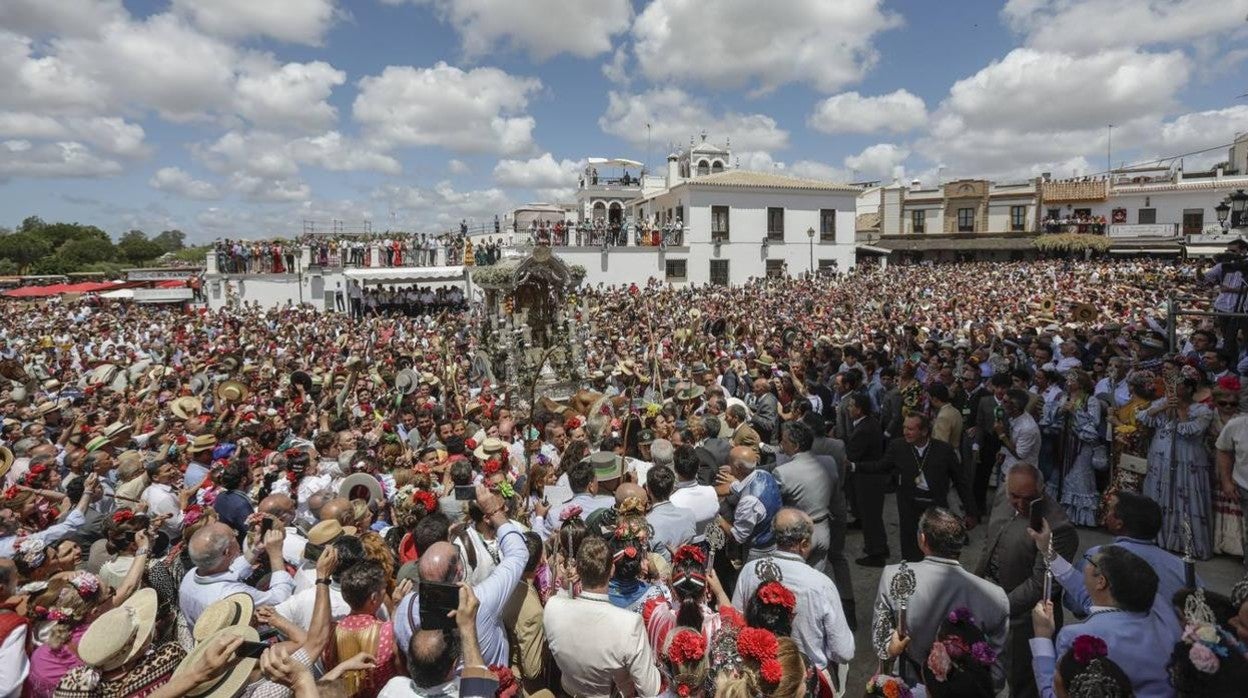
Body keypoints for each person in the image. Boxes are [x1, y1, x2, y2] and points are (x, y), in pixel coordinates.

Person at [874, 508, 1008, 690]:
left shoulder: (894, 576)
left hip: (911, 685)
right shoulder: (994, 596)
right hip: (965, 691)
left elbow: (881, 641)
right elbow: (997, 673)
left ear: (922, 539)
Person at [976, 464, 1078, 698]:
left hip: (1024, 620)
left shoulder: (1058, 527)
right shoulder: (1003, 496)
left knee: (1022, 684)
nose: (1020, 505)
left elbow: (1040, 584)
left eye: (1028, 498)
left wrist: (998, 608)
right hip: (991, 600)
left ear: (1042, 491)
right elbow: (989, 542)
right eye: (1014, 496)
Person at [1030, 545, 1172, 698]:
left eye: (1089, 560)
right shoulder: (1158, 611)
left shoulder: (1078, 636)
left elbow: (1055, 693)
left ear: (1101, 581)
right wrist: (1049, 553)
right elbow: (1089, 595)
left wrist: (1042, 636)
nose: (1085, 564)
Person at [731, 508, 854, 675]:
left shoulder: (749, 571)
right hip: (806, 677)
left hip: (757, 672)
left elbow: (735, 624)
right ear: (803, 544)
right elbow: (843, 652)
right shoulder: (821, 584)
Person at [543, 536, 660, 697]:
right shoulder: (630, 624)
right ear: (612, 570)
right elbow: (650, 689)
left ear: (578, 569)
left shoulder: (552, 606)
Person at [852, 414, 976, 562]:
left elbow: (961, 482)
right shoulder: (898, 446)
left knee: (935, 551)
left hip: (935, 508)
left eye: (910, 429)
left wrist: (971, 511)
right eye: (904, 427)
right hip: (909, 506)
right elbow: (881, 466)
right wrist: (854, 466)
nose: (905, 432)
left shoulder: (944, 450)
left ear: (924, 431)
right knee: (910, 551)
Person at [1138, 364, 1214, 559]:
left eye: (1178, 385)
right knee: (1160, 493)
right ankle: (1158, 537)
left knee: (1185, 496)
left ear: (1189, 388)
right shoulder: (1164, 402)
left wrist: (1180, 411)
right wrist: (1163, 407)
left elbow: (1191, 431)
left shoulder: (1202, 410)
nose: (1173, 389)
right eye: (1170, 384)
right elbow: (1142, 417)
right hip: (1160, 459)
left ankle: (1187, 542)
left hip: (1187, 461)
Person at [844, 393, 887, 566]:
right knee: (872, 515)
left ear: (859, 409)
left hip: (868, 478)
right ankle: (880, 546)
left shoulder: (864, 429)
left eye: (851, 405)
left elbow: (852, 455)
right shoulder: (869, 423)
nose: (848, 408)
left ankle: (876, 553)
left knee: (871, 517)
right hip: (871, 477)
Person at [643, 465, 695, 562]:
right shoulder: (689, 515)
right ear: (672, 489)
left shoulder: (646, 523)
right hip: (685, 570)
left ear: (648, 489)